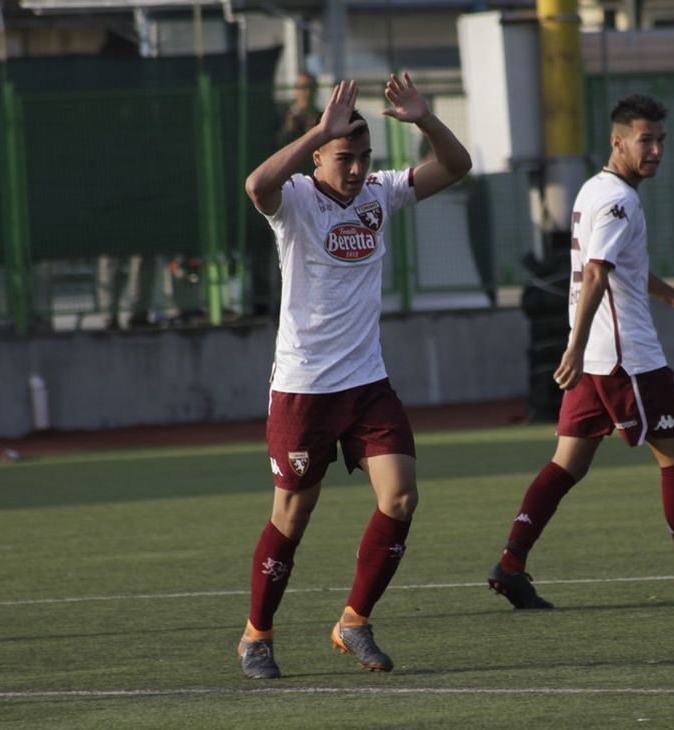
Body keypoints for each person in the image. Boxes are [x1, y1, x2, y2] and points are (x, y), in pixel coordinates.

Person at [487, 94, 674, 611]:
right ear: (618, 142)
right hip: (625, 358)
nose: (656, 150)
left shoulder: (596, 190)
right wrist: (572, 346)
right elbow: (596, 273)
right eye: (646, 140)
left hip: (599, 356)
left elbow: (619, 267)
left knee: (567, 463)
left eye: (661, 140)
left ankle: (511, 562)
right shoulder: (620, 200)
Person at [237, 73, 471, 679]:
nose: (357, 168)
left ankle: (354, 622)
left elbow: (457, 165)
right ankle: (256, 636)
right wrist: (320, 127)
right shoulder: (292, 200)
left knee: (400, 496)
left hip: (367, 382)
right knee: (292, 515)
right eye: (345, 157)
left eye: (365, 157)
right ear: (318, 155)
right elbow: (255, 185)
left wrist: (424, 119)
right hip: (303, 388)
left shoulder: (380, 194)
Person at [276, 72, 319, 148]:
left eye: (311, 87)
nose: (307, 92)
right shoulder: (280, 113)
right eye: (303, 88)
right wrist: (289, 130)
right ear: (295, 90)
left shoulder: (321, 116)